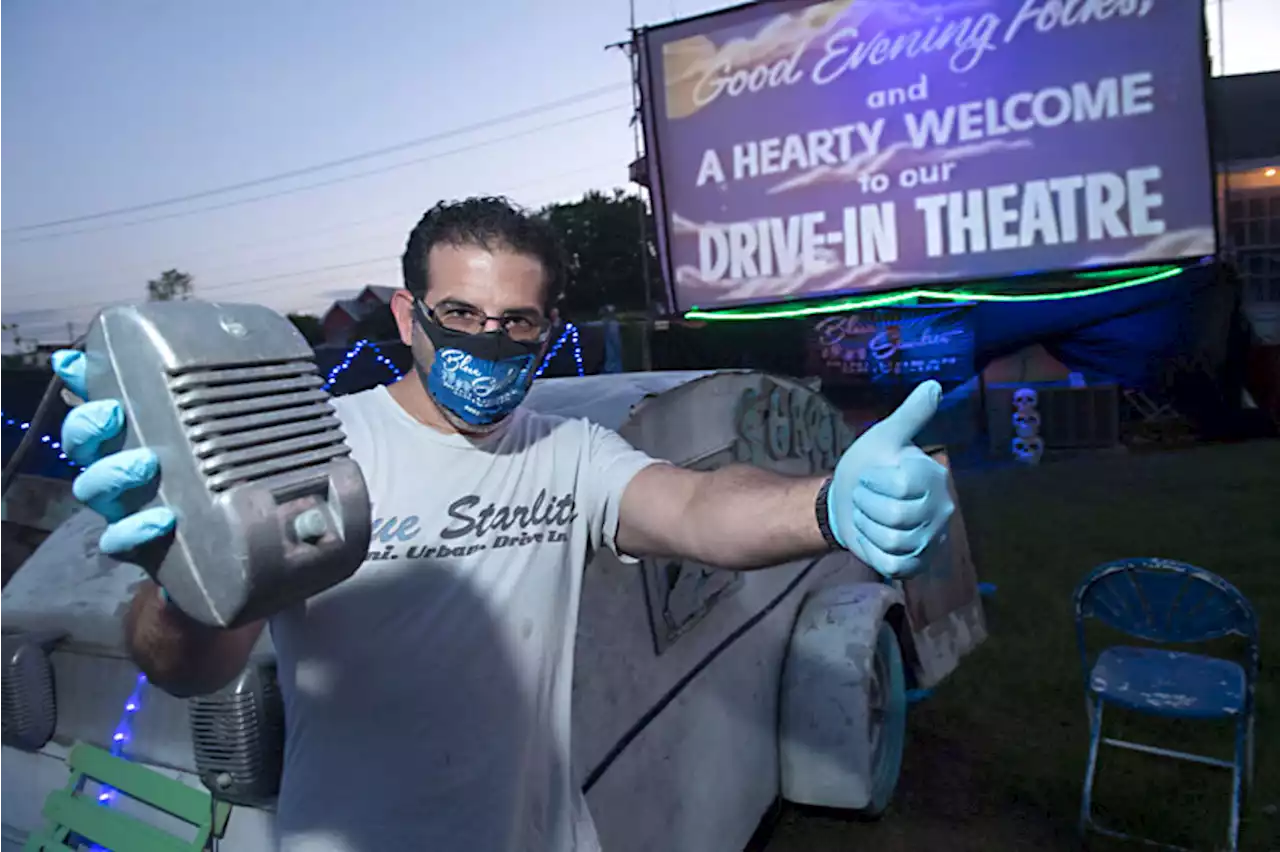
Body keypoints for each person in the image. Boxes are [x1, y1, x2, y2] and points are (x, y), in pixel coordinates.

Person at [52, 196, 954, 852]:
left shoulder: (568, 451)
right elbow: (187, 666)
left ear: (546, 328)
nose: (488, 338)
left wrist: (827, 502)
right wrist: (183, 586)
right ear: (410, 317)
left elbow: (693, 506)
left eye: (516, 321)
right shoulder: (322, 449)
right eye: (460, 314)